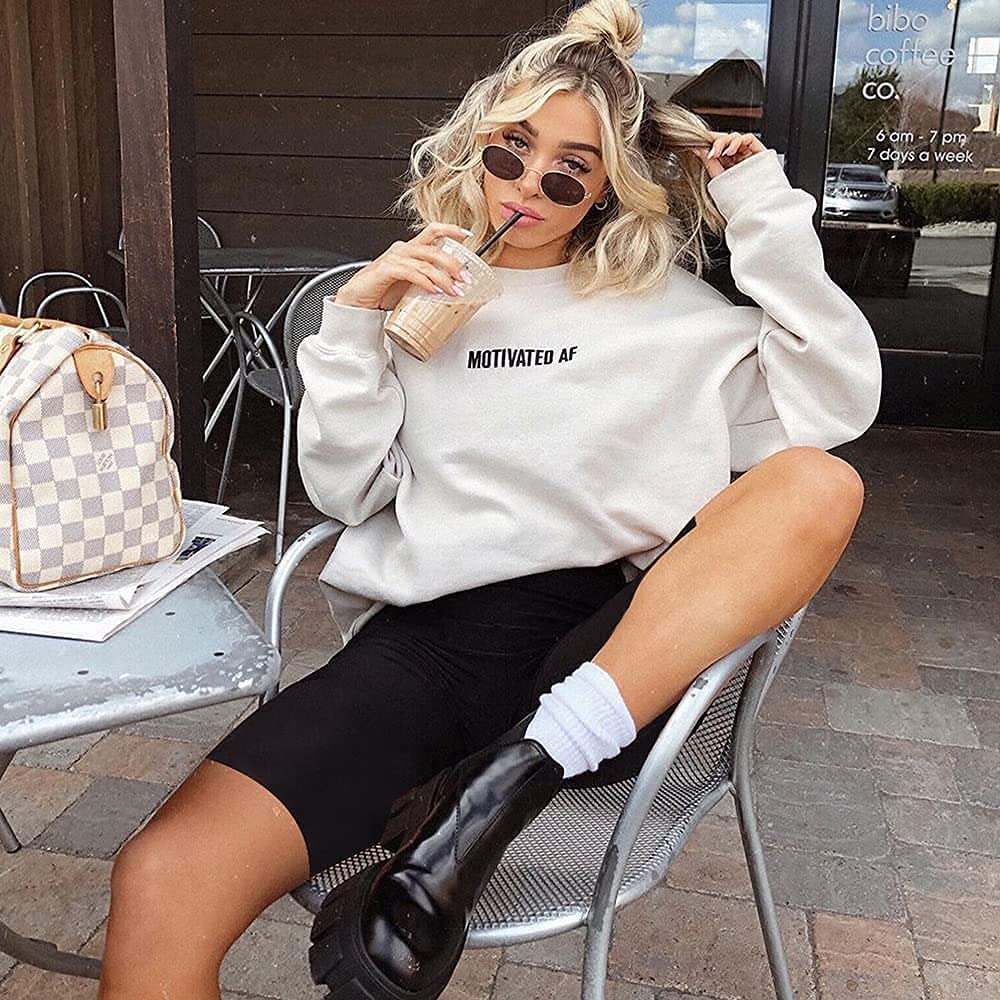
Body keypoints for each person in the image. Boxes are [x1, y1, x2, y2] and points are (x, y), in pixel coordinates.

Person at [96, 1, 881, 998]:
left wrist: (760, 208)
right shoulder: (421, 299)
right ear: (475, 148)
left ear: (606, 188)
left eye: (569, 168)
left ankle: (506, 779)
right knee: (162, 878)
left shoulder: (673, 319)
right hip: (425, 651)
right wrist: (353, 323)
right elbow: (345, 489)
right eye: (511, 150)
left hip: (605, 655)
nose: (527, 184)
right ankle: (471, 803)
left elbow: (833, 405)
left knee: (819, 482)